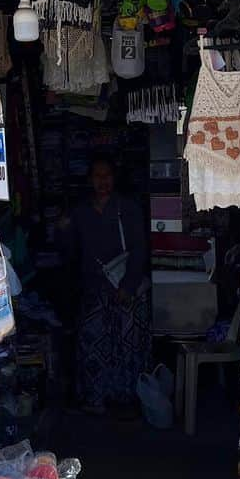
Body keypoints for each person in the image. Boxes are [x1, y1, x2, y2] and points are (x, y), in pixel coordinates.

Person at [67, 157, 151, 415]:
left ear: (115, 178)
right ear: (90, 179)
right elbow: (71, 250)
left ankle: (129, 399)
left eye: (107, 175)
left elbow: (139, 249)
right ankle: (96, 398)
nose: (102, 181)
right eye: (97, 176)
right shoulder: (80, 212)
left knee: (128, 345)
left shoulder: (127, 208)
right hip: (95, 289)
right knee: (93, 345)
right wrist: (62, 230)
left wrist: (128, 284)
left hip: (127, 287)